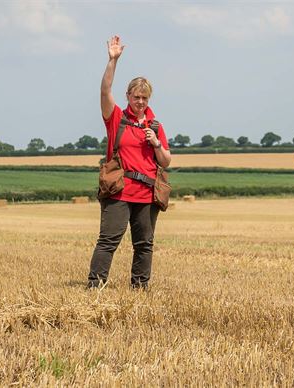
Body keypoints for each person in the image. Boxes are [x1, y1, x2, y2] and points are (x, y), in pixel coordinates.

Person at [87, 35, 171, 290]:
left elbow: (166, 161)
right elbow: (104, 90)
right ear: (128, 96)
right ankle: (95, 287)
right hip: (120, 191)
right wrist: (112, 60)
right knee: (108, 240)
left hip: (147, 193)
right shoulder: (116, 119)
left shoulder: (156, 125)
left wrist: (156, 143)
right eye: (136, 97)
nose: (140, 102)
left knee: (144, 244)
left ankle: (140, 289)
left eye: (145, 98)